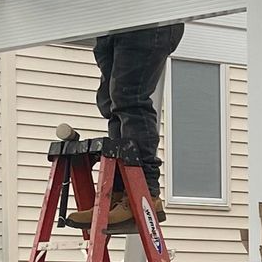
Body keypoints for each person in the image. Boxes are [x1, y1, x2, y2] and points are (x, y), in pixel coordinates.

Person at [71, 21, 184, 228]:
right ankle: (120, 190)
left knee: (129, 99)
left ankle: (145, 193)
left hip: (148, 20)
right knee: (111, 103)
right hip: (115, 20)